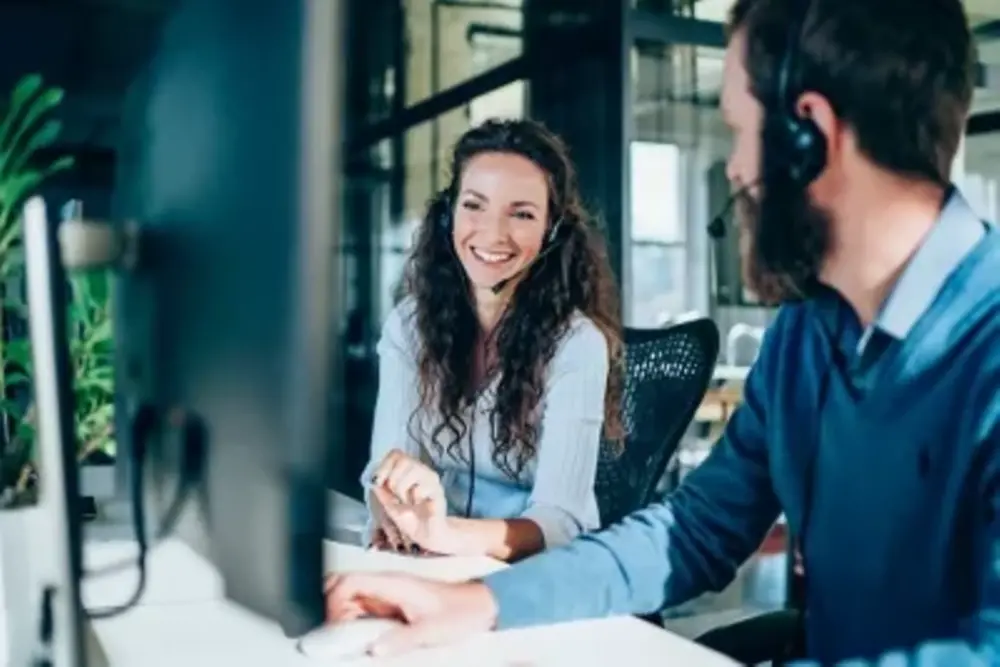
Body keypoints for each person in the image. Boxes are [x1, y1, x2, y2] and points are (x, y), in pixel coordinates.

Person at [325, 0, 1000, 664]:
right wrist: (479, 602)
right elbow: (695, 529)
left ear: (809, 135)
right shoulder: (807, 330)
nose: (734, 168)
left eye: (738, 131)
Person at [360, 118, 624, 563]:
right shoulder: (410, 325)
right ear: (449, 214)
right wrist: (389, 507)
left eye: (521, 214)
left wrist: (446, 534)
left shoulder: (576, 345)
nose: (492, 233)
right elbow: (385, 467)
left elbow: (559, 523)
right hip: (431, 565)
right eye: (474, 205)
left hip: (529, 577)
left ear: (552, 231)